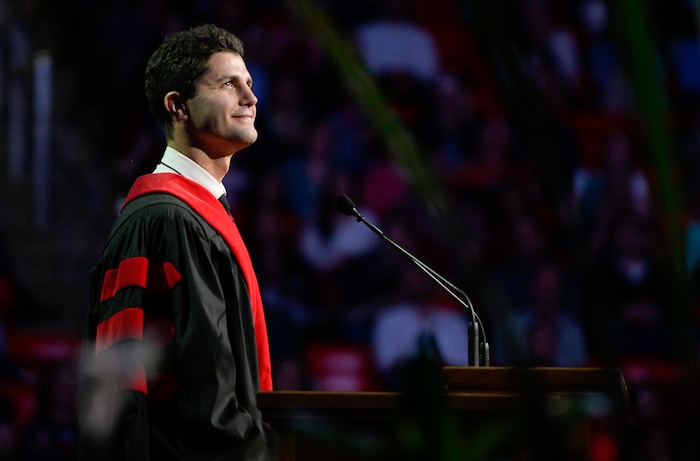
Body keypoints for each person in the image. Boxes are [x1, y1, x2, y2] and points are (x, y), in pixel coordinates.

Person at [79, 24, 276, 461]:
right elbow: (207, 384)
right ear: (178, 106)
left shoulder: (197, 213)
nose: (250, 98)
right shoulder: (169, 218)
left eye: (250, 83)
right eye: (229, 84)